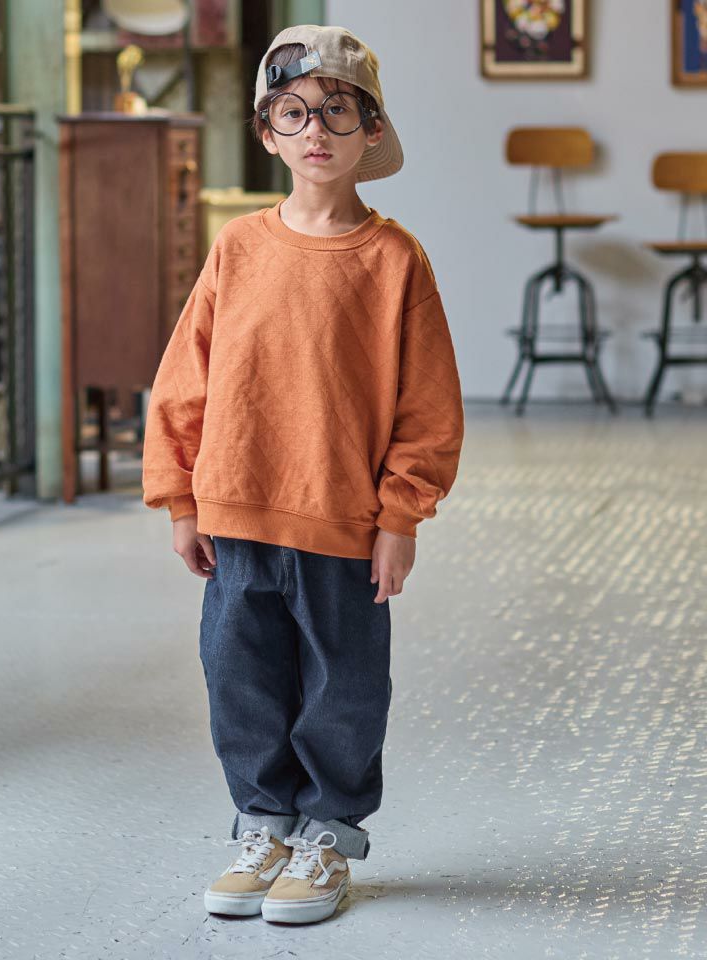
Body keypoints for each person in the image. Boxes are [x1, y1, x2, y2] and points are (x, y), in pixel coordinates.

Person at [142, 23, 465, 925]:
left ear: (371, 131)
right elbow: (185, 379)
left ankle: (326, 834)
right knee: (237, 677)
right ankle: (263, 824)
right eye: (293, 112)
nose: (315, 129)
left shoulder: (395, 262)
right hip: (237, 512)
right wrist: (180, 497)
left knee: (342, 687)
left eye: (337, 112)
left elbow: (427, 406)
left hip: (343, 521)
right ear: (268, 132)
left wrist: (399, 517)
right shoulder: (237, 249)